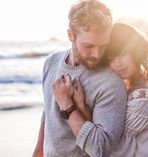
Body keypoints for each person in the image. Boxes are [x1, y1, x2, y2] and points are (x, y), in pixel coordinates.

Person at [32, 1, 127, 157]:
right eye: (89, 46)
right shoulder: (51, 62)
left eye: (103, 46)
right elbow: (48, 112)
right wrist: (38, 151)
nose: (97, 54)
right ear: (71, 35)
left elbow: (101, 149)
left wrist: (66, 104)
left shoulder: (111, 84)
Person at [53, 23, 148, 157]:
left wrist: (79, 106)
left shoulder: (143, 98)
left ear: (136, 51)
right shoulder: (131, 86)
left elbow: (111, 149)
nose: (118, 63)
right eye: (111, 58)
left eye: (123, 54)